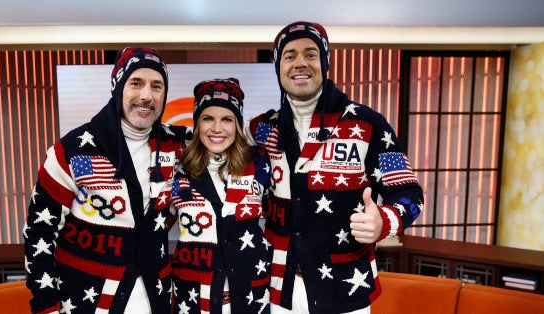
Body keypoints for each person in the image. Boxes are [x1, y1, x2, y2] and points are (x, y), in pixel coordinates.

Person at [244, 21, 424, 313]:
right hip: (279, 287)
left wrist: (384, 222)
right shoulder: (264, 127)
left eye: (310, 54)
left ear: (324, 63)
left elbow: (410, 193)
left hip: (344, 289)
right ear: (278, 68)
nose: (300, 63)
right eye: (289, 56)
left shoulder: (369, 124)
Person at [23, 47, 189, 314]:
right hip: (86, 302)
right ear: (118, 85)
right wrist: (47, 307)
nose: (146, 95)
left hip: (155, 298)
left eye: (156, 86)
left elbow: (223, 136)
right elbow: (38, 235)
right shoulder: (70, 151)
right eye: (136, 83)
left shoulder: (177, 145)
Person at [170, 78, 272, 314]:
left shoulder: (257, 164)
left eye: (227, 119)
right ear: (197, 123)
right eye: (208, 118)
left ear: (237, 124)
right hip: (195, 299)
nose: (217, 128)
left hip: (251, 297)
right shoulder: (178, 169)